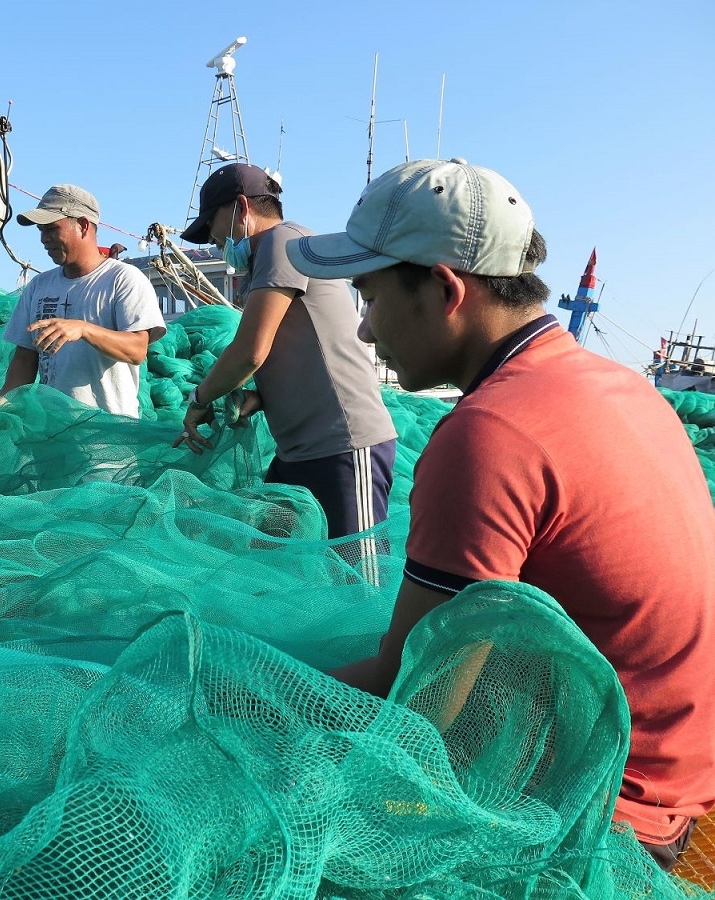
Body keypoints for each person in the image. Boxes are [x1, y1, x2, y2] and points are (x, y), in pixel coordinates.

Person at [285, 157, 715, 871]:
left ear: (446, 288)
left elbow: (422, 702)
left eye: (371, 295)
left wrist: (253, 695)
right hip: (680, 773)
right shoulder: (621, 388)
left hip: (599, 815)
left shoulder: (491, 432)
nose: (364, 331)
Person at [174, 163, 397, 540]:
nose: (215, 244)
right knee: (277, 567)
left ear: (242, 208)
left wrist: (199, 399)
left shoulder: (281, 241)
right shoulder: (269, 256)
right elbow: (296, 347)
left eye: (213, 229)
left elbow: (250, 350)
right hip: (298, 452)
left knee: (358, 579)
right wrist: (261, 397)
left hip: (341, 445)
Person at [0, 184, 165, 418]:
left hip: (108, 438)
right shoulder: (38, 287)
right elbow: (24, 360)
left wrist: (84, 329)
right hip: (51, 433)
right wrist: (4, 403)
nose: (44, 239)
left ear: (83, 226)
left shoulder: (123, 279)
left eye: (52, 229)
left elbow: (136, 349)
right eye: (41, 231)